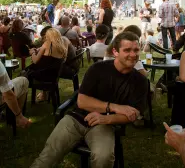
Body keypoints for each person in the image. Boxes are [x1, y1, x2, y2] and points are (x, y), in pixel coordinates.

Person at [30, 32, 148, 168]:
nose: (133, 55)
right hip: (76, 119)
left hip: (105, 125)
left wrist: (106, 119)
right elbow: (82, 101)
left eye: (136, 50)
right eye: (127, 50)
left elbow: (133, 114)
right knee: (48, 156)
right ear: (115, 52)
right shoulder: (98, 69)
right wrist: (114, 107)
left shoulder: (140, 81)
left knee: (104, 158)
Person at [24, 28, 67, 102]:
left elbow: (35, 60)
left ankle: (18, 96)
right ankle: (44, 95)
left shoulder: (47, 44)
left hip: (42, 75)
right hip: (53, 75)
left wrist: (32, 53)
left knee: (24, 74)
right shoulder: (62, 47)